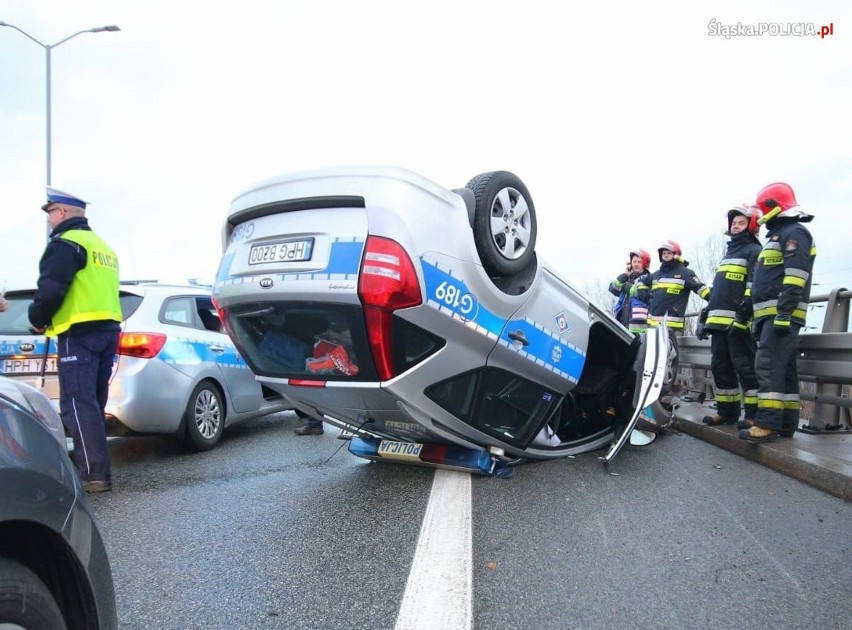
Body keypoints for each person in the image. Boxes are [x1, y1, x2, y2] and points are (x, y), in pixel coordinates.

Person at [28, 186, 122, 493]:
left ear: (63, 212)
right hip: (108, 331)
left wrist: (37, 319)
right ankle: (98, 469)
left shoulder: (66, 243)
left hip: (78, 332)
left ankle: (94, 475)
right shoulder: (102, 246)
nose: (49, 221)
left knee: (77, 405)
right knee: (93, 404)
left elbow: (52, 289)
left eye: (51, 214)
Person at [738, 182, 816, 443]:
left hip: (781, 315)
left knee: (768, 366)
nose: (759, 217)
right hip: (770, 315)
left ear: (773, 208)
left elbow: (795, 277)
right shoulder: (779, 236)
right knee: (784, 370)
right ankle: (785, 424)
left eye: (761, 210)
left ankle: (767, 424)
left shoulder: (795, 233)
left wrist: (784, 313)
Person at [700, 206, 762, 426]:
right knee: (721, 369)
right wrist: (705, 316)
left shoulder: (754, 251)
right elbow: (720, 291)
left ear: (752, 225)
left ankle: (754, 415)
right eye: (734, 223)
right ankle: (727, 413)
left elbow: (753, 285)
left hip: (738, 324)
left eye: (741, 223)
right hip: (718, 325)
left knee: (746, 369)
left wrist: (743, 316)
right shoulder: (729, 254)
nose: (735, 226)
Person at [633, 240, 710, 397]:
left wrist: (715, 300)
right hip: (653, 328)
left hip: (672, 328)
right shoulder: (656, 275)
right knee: (652, 362)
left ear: (675, 254)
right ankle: (652, 392)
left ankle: (666, 394)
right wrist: (646, 296)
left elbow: (700, 289)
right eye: (663, 253)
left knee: (669, 362)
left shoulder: (685, 273)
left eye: (668, 252)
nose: (665, 255)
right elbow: (639, 283)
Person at [608, 248, 651, 332]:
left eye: (639, 262)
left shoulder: (649, 279)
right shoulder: (627, 279)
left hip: (639, 329)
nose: (636, 264)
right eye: (634, 262)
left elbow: (647, 296)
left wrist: (629, 287)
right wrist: (625, 275)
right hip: (621, 326)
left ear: (645, 264)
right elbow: (613, 288)